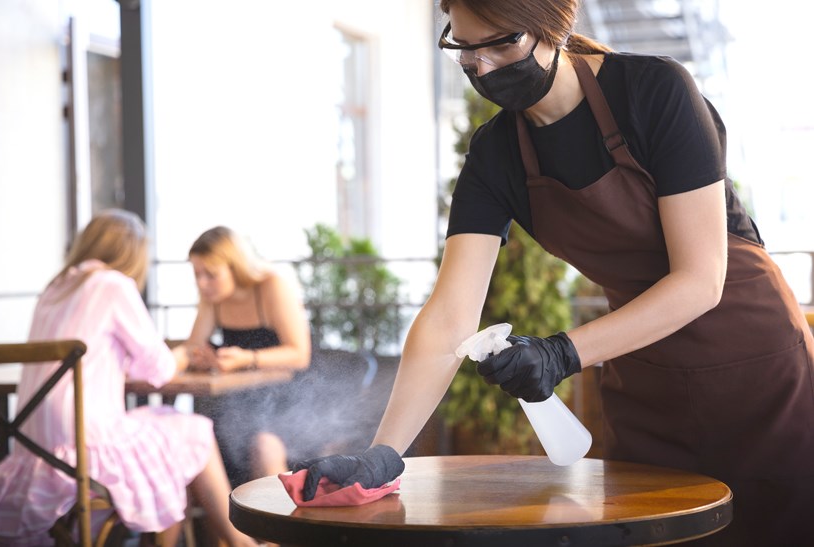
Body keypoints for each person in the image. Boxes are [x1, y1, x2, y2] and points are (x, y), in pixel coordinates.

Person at [291, 1, 814, 546]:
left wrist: (561, 353)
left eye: (501, 43)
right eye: (465, 47)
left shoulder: (654, 90)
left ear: (553, 29)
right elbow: (449, 317)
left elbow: (701, 280)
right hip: (645, 377)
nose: (483, 66)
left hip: (755, 367)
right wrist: (386, 454)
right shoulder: (495, 156)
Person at [0, 210, 257, 546]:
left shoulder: (55, 289)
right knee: (192, 433)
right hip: (85, 450)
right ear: (132, 253)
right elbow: (160, 369)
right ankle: (241, 543)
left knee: (168, 439)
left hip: (35, 452)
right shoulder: (113, 284)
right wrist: (185, 354)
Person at [177, 226, 311, 487]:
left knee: (264, 447)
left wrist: (247, 359)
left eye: (211, 275)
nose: (202, 283)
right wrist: (205, 359)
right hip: (240, 402)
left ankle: (279, 525)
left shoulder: (271, 286)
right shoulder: (212, 296)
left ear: (235, 268)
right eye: (197, 274)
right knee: (195, 441)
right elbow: (193, 347)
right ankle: (221, 526)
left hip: (290, 400)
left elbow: (300, 354)